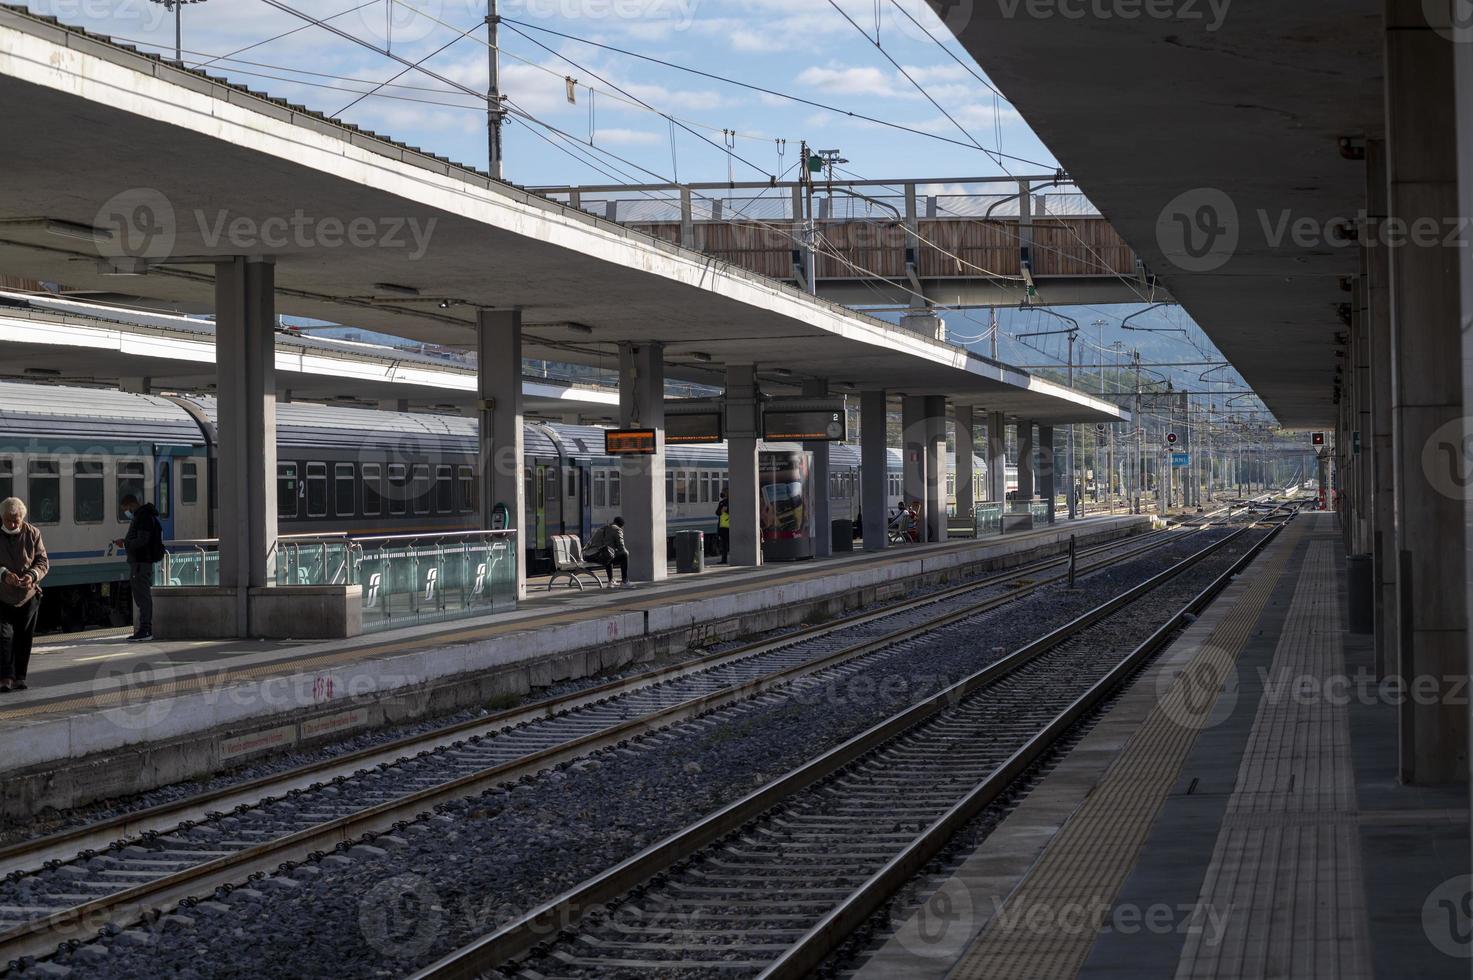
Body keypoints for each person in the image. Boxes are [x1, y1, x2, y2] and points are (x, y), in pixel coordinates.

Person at [0, 497, 48, 692]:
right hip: (2, 595)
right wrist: (4, 574)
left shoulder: (33, 533)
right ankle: (5, 677)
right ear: (2, 517)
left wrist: (31, 575)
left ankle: (20, 676)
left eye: (16, 519)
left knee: (24, 637)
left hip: (28, 596)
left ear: (22, 517)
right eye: (8, 519)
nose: (12, 524)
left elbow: (42, 561)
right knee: (4, 636)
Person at [114, 494, 163, 641]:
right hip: (140, 563)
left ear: (130, 505)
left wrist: (126, 543)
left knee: (142, 597)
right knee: (141, 597)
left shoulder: (143, 517)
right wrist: (125, 541)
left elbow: (142, 540)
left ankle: (145, 630)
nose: (126, 512)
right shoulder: (142, 516)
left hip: (141, 563)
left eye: (125, 509)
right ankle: (144, 629)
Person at [586, 516, 631, 587]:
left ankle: (610, 581)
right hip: (599, 557)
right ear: (621, 526)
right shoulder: (617, 529)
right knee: (625, 554)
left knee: (608, 553)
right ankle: (625, 581)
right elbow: (621, 547)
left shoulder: (603, 528)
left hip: (589, 556)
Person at [715, 491, 731, 564]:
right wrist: (722, 510)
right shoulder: (721, 503)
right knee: (724, 544)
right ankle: (724, 559)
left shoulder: (731, 502)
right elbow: (717, 512)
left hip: (730, 526)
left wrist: (726, 510)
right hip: (723, 526)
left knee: (728, 544)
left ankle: (731, 558)